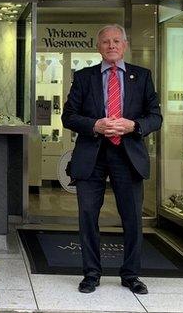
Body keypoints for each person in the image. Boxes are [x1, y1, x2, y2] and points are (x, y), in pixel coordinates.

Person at [61, 24, 162, 295]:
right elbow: (68, 116)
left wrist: (133, 126)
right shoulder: (84, 77)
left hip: (127, 154)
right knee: (87, 215)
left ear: (125, 45)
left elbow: (155, 117)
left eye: (117, 41)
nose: (111, 45)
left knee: (132, 218)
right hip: (92, 155)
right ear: (99, 47)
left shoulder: (141, 77)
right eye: (106, 42)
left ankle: (131, 274)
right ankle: (91, 274)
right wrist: (95, 124)